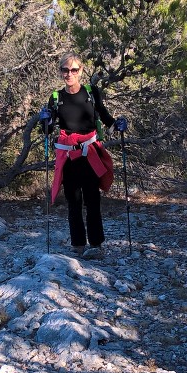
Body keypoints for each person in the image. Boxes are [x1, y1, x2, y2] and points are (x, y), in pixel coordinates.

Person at [39, 53, 127, 259]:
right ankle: (78, 244)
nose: (69, 74)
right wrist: (45, 120)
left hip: (90, 154)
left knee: (92, 199)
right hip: (69, 157)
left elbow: (103, 115)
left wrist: (117, 124)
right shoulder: (56, 97)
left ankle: (96, 244)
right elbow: (48, 128)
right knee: (73, 201)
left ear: (81, 71)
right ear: (60, 71)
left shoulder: (91, 92)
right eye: (65, 70)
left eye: (74, 70)